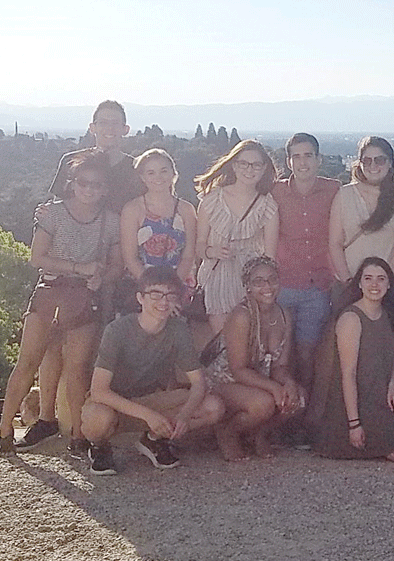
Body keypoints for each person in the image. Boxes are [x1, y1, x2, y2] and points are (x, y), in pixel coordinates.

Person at [36, 100, 143, 452]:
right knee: (53, 345)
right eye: (103, 122)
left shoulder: (135, 168)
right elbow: (54, 209)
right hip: (65, 268)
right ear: (92, 126)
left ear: (126, 129)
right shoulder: (72, 161)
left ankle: (88, 426)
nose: (109, 128)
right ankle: (46, 419)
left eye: (116, 123)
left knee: (96, 345)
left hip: (111, 267)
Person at [0, 151, 122, 454]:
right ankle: (4, 429)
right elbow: (37, 258)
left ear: (105, 188)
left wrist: (101, 278)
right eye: (83, 182)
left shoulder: (111, 221)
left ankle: (78, 434)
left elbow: (117, 265)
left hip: (83, 299)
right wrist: (80, 268)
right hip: (49, 293)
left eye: (96, 184)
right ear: (72, 183)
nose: (89, 189)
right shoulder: (52, 213)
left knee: (77, 370)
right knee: (28, 362)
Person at [81, 266, 224, 475]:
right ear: (140, 298)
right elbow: (99, 391)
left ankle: (154, 438)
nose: (163, 302)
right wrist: (149, 416)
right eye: (155, 294)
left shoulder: (178, 330)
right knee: (99, 418)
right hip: (114, 403)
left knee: (213, 406)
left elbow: (198, 382)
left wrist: (184, 416)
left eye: (170, 295)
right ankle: (99, 446)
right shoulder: (117, 330)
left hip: (152, 399)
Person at [316, 257, 394, 462]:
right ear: (360, 283)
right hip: (357, 404)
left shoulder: (390, 314)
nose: (374, 284)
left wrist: (393, 387)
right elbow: (348, 375)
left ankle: (391, 437)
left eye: (381, 279)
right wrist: (354, 424)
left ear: (389, 284)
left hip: (381, 395)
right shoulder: (351, 318)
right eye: (368, 278)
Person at [205, 257, 305, 461]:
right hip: (225, 381)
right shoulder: (242, 316)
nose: (267, 286)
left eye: (272, 279)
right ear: (248, 286)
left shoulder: (284, 315)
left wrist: (288, 383)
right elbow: (238, 370)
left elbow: (280, 365)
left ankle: (259, 433)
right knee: (264, 403)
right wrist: (274, 388)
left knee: (299, 398)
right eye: (258, 281)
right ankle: (228, 432)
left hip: (257, 381)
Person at [271, 133, 341, 394]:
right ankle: (279, 407)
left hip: (317, 287)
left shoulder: (335, 190)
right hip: (282, 285)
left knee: (307, 354)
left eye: (308, 156)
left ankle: (305, 407)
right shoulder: (275, 191)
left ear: (318, 159)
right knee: (276, 354)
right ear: (288, 161)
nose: (303, 162)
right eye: (296, 156)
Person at [195, 140, 279, 333]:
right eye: (244, 163)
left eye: (256, 165)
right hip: (217, 277)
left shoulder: (268, 205)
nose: (249, 169)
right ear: (233, 165)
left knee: (248, 338)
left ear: (264, 168)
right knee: (222, 340)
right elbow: (198, 245)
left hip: (250, 282)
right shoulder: (212, 200)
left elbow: (270, 257)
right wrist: (212, 251)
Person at [328, 136, 394, 295]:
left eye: (379, 160)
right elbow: (335, 244)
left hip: (387, 288)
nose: (373, 166)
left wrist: (381, 282)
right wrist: (349, 282)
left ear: (390, 163)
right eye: (367, 161)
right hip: (347, 286)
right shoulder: (344, 195)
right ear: (360, 163)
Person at [120, 148, 197, 287]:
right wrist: (152, 288)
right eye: (151, 173)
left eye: (164, 171)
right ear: (143, 177)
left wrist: (172, 287)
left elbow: (189, 256)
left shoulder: (186, 210)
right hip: (142, 284)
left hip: (178, 284)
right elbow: (130, 258)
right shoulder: (132, 209)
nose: (158, 177)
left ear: (173, 173)